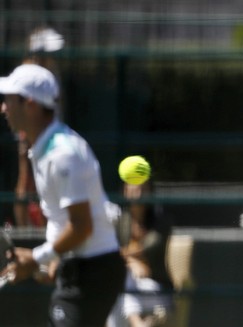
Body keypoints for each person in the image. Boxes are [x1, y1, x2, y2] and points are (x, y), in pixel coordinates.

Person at [0, 63, 126, 327]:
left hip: (94, 270)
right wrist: (52, 261)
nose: (3, 108)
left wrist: (37, 258)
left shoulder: (63, 154)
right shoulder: (42, 150)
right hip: (79, 267)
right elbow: (60, 218)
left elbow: (81, 226)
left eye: (9, 101)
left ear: (30, 105)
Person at [12, 27, 64, 227]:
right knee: (26, 176)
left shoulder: (52, 72)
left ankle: (44, 228)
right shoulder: (28, 73)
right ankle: (23, 230)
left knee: (46, 181)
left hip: (50, 132)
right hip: (32, 131)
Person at [108, 181, 174, 327]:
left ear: (151, 193)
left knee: (120, 294)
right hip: (128, 290)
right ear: (125, 192)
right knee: (120, 293)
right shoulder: (120, 220)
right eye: (134, 190)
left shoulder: (160, 219)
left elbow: (147, 246)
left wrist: (124, 258)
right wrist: (131, 263)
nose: (138, 195)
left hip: (156, 290)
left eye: (143, 190)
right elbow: (109, 253)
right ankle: (138, 323)